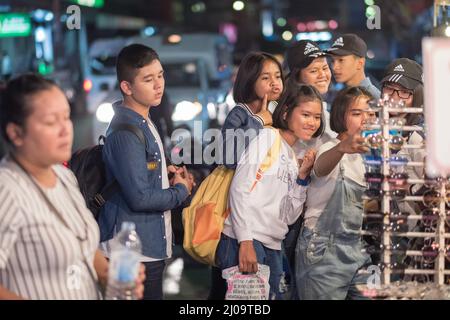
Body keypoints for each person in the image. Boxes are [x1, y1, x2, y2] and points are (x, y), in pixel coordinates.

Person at [0, 74, 145, 299]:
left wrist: (110, 277)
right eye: (50, 122)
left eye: (66, 117)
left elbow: (82, 242)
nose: (65, 129)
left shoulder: (63, 175)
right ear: (16, 133)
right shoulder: (6, 189)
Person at [98, 44, 194, 300]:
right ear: (127, 87)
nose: (158, 84)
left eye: (160, 75)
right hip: (131, 251)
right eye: (148, 79)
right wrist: (180, 191)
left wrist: (165, 172)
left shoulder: (143, 119)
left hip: (148, 246)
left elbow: (143, 172)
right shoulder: (125, 131)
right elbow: (139, 197)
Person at [216, 84, 324, 300]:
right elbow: (240, 187)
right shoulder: (266, 137)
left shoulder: (292, 157)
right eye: (305, 114)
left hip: (273, 246)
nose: (312, 122)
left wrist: (302, 179)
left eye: (317, 117)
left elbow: (290, 216)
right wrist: (245, 242)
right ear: (285, 112)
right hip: (246, 240)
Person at [209, 51, 284, 299]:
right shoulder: (240, 114)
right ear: (250, 81)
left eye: (277, 75)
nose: (274, 82)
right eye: (265, 77)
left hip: (266, 227)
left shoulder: (276, 112)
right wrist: (258, 122)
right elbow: (229, 157)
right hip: (237, 224)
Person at [295, 86, 373, 300]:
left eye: (371, 113)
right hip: (324, 250)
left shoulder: (369, 156)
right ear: (340, 116)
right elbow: (320, 168)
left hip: (358, 248)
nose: (365, 119)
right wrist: (341, 148)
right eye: (357, 113)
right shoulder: (329, 147)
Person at [285, 40, 336, 149]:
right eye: (313, 71)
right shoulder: (290, 112)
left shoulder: (324, 110)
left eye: (325, 68)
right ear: (297, 76)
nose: (322, 74)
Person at [326, 33, 380, 99]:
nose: (334, 67)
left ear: (360, 63)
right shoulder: (343, 94)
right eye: (332, 61)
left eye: (341, 60)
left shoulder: (373, 98)